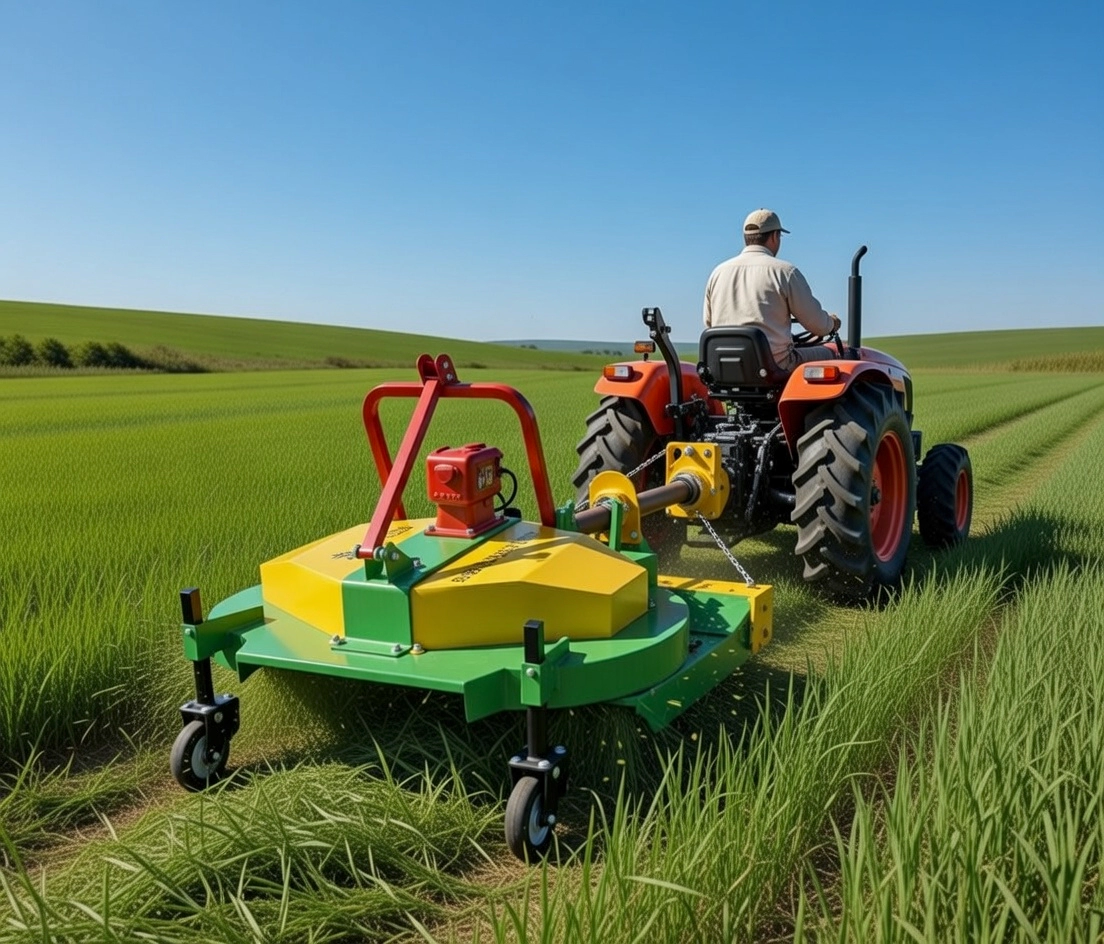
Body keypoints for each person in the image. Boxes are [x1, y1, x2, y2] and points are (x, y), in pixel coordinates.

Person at [703, 209, 841, 371]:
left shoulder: (718, 273)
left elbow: (709, 324)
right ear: (775, 236)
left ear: (746, 238)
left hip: (725, 366)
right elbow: (818, 326)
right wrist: (832, 323)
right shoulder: (785, 272)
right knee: (838, 353)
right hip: (776, 365)